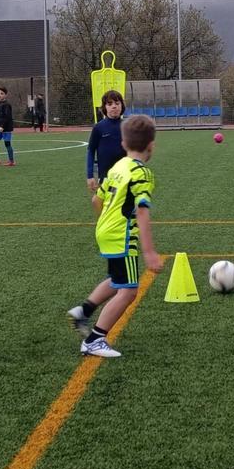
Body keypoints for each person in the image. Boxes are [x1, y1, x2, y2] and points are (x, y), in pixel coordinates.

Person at [67, 114, 162, 358]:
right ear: (152, 145)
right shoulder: (142, 173)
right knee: (129, 290)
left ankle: (84, 311)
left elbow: (96, 199)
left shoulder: (117, 166)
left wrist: (106, 223)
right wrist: (149, 252)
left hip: (105, 229)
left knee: (116, 277)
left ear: (123, 143)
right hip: (123, 234)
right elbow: (141, 210)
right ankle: (95, 340)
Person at [87, 90, 126, 192]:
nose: (114, 106)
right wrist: (90, 175)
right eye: (110, 104)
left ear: (122, 106)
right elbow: (91, 151)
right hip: (106, 178)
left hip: (126, 176)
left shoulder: (128, 126)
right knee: (108, 205)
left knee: (127, 206)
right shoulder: (98, 128)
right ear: (105, 107)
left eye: (117, 103)